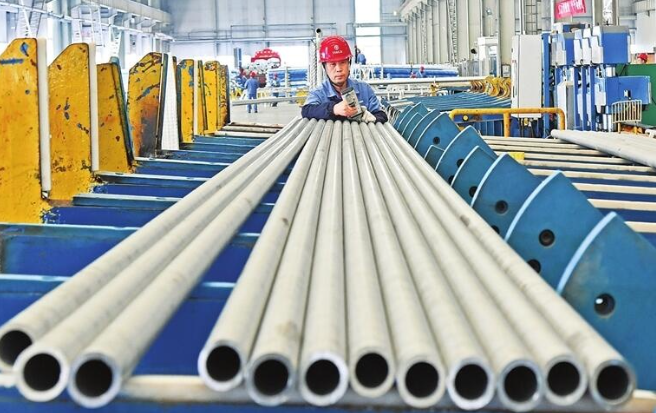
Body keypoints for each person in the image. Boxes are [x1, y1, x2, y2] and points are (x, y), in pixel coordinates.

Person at [302, 35, 387, 123]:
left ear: (349, 64)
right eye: (332, 64)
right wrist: (333, 109)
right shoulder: (319, 93)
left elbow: (382, 115)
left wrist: (373, 118)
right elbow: (306, 110)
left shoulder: (364, 89)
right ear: (324, 67)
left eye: (342, 62)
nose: (338, 69)